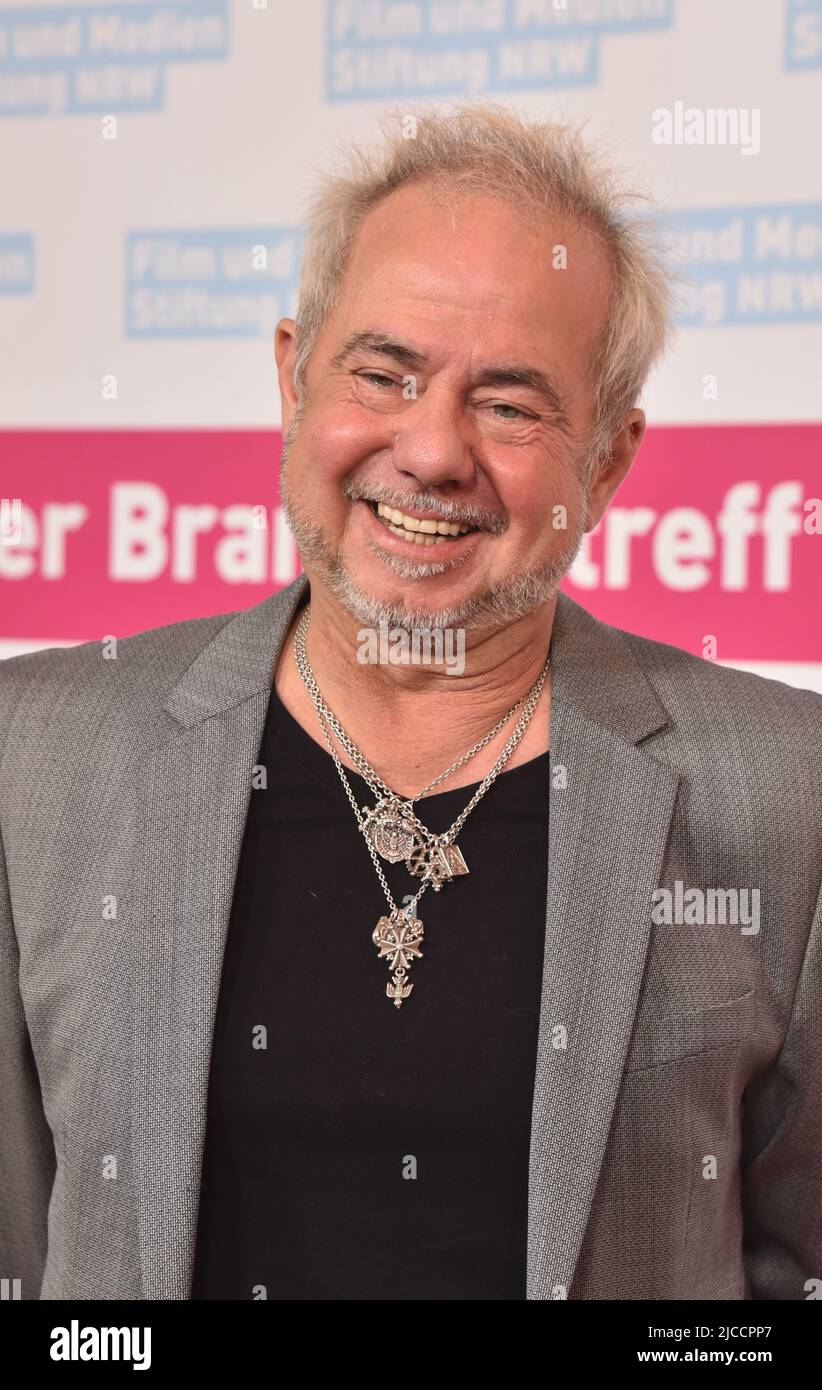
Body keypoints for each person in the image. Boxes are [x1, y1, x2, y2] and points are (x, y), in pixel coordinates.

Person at [1, 104, 820, 1302]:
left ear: (608, 458)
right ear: (293, 377)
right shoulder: (41, 755)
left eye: (510, 403)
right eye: (383, 373)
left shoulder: (785, 789)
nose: (432, 451)